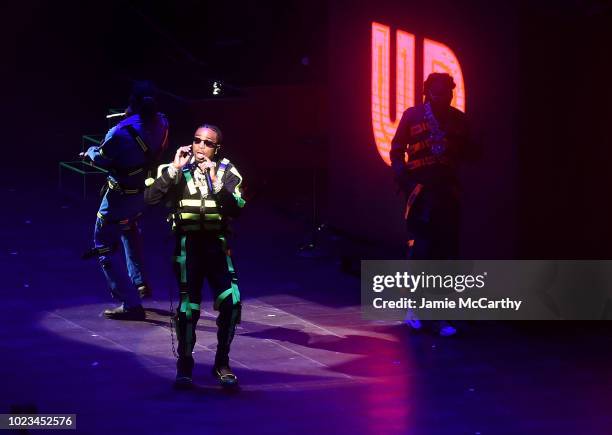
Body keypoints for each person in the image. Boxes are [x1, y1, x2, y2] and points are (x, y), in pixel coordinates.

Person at [144, 124, 245, 388]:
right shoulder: (177, 168)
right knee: (189, 309)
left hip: (217, 246)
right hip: (188, 248)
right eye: (197, 140)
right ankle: (185, 365)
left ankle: (222, 363)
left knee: (232, 304)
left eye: (208, 143)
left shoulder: (226, 172)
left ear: (217, 148)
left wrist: (215, 184)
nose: (201, 146)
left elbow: (237, 208)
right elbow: (150, 198)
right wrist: (174, 170)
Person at [390, 72, 475, 336]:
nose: (444, 96)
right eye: (438, 92)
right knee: (421, 251)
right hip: (420, 192)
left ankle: (444, 314)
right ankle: (414, 308)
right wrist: (405, 179)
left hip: (448, 193)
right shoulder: (412, 115)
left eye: (448, 91)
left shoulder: (459, 120)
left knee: (447, 253)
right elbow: (396, 149)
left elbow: (470, 153)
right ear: (428, 92)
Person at [81, 81, 169, 320]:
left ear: (131, 102)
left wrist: (89, 153)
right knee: (127, 229)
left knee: (103, 245)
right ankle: (139, 282)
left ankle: (130, 303)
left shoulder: (120, 131)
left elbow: (102, 158)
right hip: (142, 193)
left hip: (119, 195)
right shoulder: (162, 122)